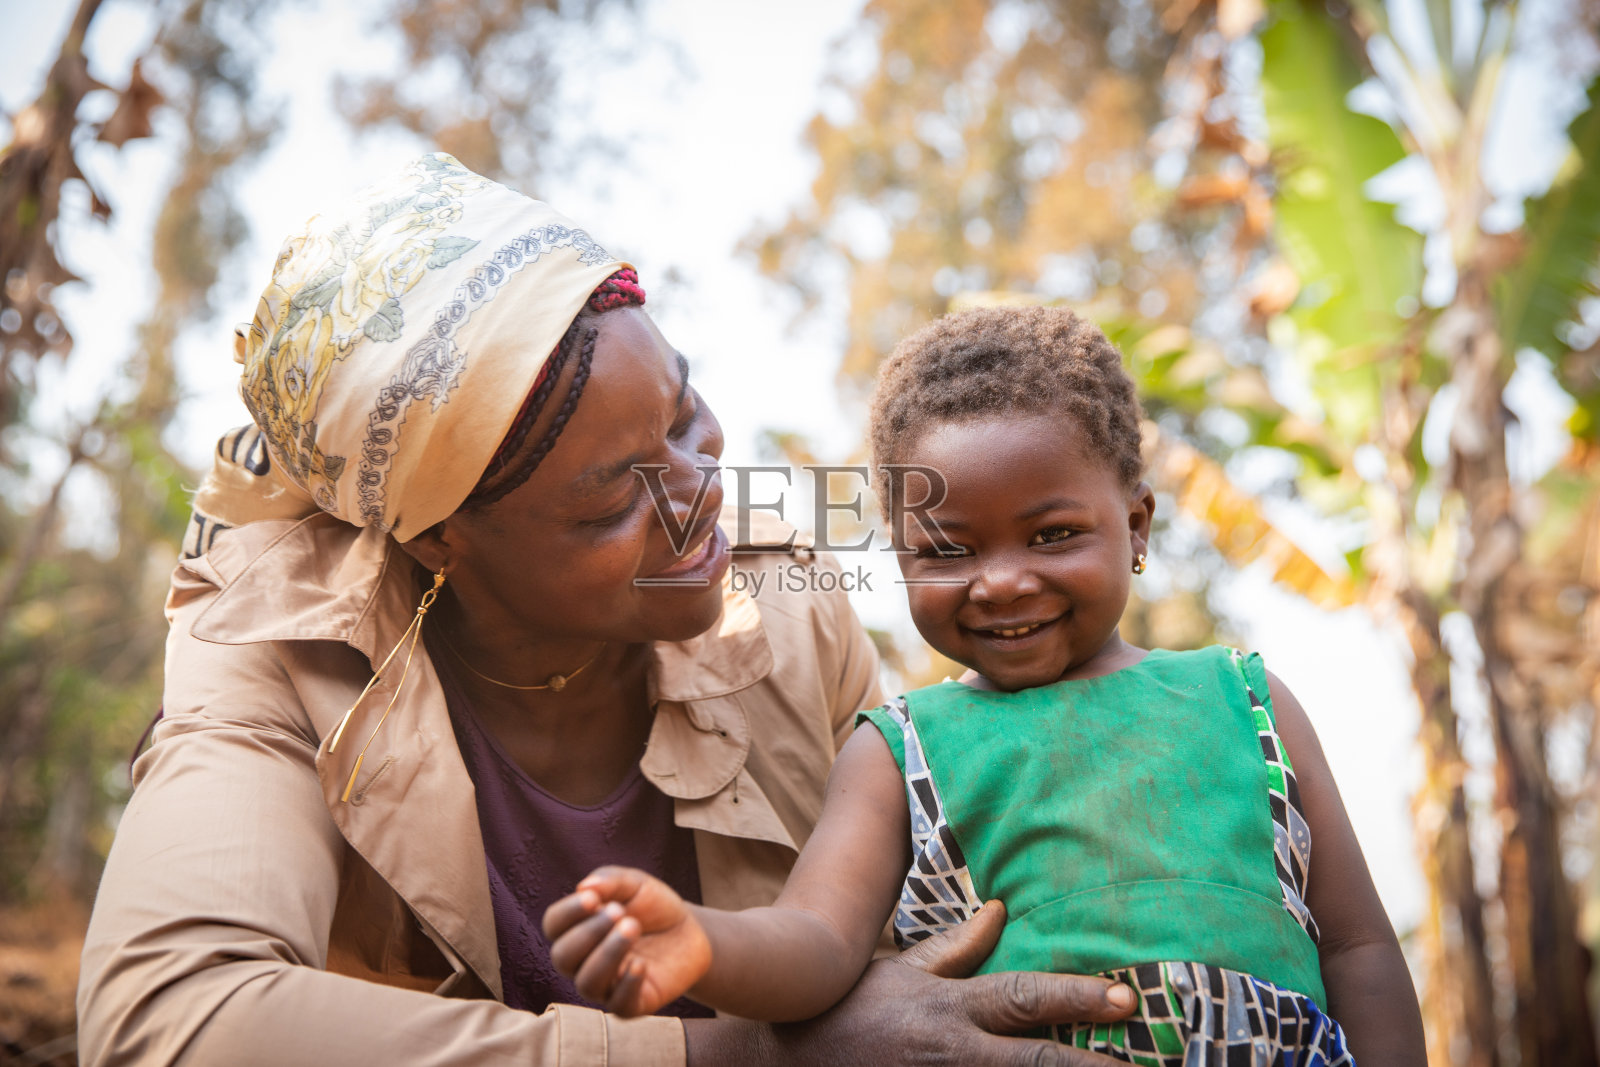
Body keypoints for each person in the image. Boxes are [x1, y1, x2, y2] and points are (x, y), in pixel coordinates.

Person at [76, 156, 1141, 1067]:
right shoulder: (282, 646)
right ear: (439, 535)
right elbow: (171, 1016)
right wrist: (752, 1051)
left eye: (683, 412)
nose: (699, 495)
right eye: (616, 492)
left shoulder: (784, 608)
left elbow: (931, 941)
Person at [544, 306, 1429, 1063]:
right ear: (900, 558)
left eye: (1050, 535)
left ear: (1136, 525)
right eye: (950, 550)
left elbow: (1358, 948)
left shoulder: (1246, 698)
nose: (1000, 580)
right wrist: (703, 942)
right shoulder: (896, 748)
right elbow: (815, 943)